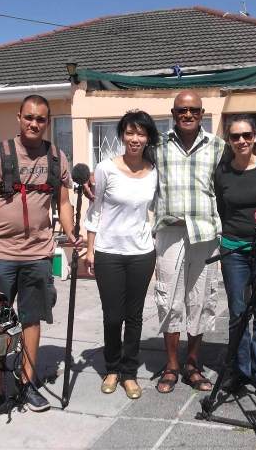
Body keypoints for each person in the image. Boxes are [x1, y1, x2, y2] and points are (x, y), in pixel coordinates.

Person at [0, 94, 79, 425]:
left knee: (31, 320)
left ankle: (27, 383)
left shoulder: (58, 158)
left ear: (47, 122)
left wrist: (72, 232)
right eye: (29, 117)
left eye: (41, 119)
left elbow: (63, 204)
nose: (34, 123)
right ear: (19, 117)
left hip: (38, 255)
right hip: (1, 255)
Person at [152, 90, 225, 393]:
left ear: (202, 113)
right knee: (168, 297)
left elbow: (227, 185)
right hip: (169, 232)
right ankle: (171, 365)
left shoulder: (218, 146)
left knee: (201, 298)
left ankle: (193, 363)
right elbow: (136, 172)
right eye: (182, 111)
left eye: (194, 110)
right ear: (173, 113)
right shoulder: (157, 146)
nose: (188, 115)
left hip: (205, 233)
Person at [84, 110, 159, 400]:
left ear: (148, 137)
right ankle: (112, 368)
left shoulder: (154, 172)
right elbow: (96, 209)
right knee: (113, 316)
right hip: (108, 251)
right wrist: (90, 249)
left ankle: (129, 373)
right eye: (130, 132)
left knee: (135, 316)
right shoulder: (105, 169)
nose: (135, 138)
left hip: (141, 252)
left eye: (141, 133)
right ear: (122, 135)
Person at [214, 115, 256, 395]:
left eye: (246, 135)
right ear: (228, 141)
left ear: (255, 137)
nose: (241, 141)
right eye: (234, 137)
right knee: (238, 314)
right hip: (234, 252)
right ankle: (240, 372)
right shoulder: (222, 172)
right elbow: (222, 207)